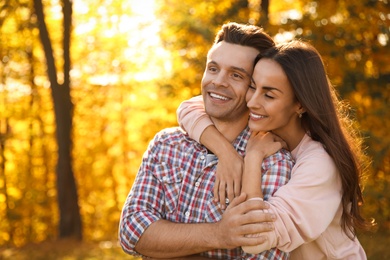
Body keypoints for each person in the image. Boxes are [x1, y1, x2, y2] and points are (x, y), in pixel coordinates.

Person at [177, 40, 375, 259]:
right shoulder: (266, 127)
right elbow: (188, 108)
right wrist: (226, 153)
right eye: (253, 86)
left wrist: (252, 158)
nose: (251, 102)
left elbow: (254, 237)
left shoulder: (319, 164)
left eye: (268, 95)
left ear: (300, 105)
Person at [119, 22, 295, 259]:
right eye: (213, 69)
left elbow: (264, 256)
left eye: (236, 75)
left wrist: (167, 243)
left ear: (255, 88)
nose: (219, 81)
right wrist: (219, 235)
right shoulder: (166, 145)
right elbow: (132, 231)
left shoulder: (272, 162)